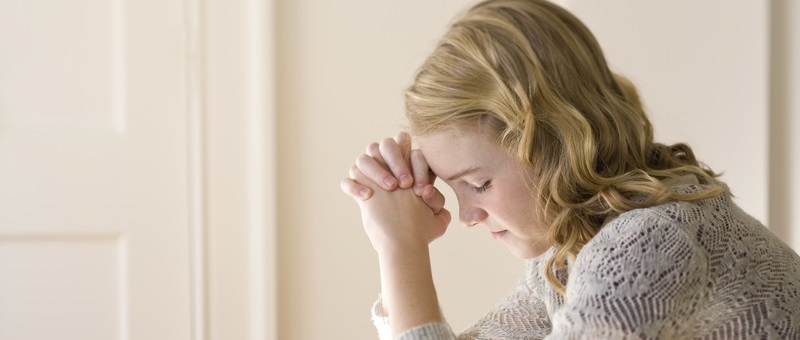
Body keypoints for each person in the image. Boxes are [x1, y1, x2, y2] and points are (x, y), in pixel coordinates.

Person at [340, 0, 800, 339]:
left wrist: (402, 250)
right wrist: (399, 245)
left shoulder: (647, 242)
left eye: (478, 184)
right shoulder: (571, 252)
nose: (466, 216)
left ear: (555, 144)